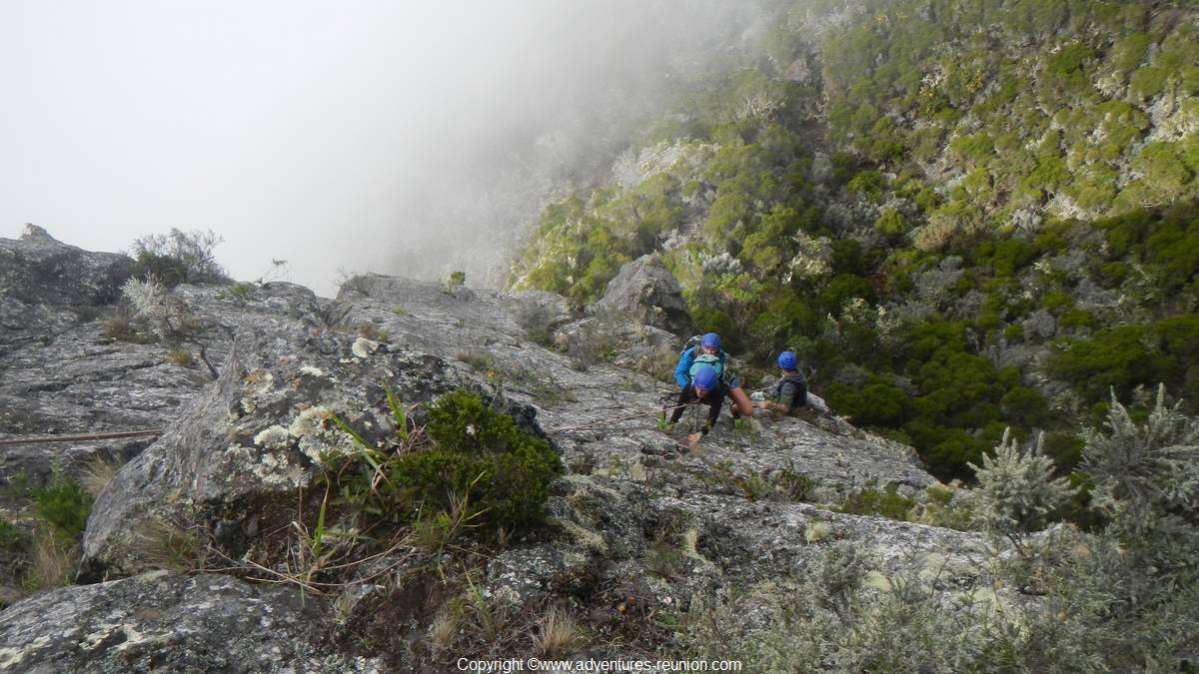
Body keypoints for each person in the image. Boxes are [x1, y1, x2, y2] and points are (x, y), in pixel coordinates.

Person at [673, 332, 754, 418]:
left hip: (725, 379)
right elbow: (680, 373)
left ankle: (735, 407)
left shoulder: (720, 354)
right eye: (707, 348)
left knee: (748, 411)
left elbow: (719, 374)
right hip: (699, 381)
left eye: (713, 349)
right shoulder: (691, 353)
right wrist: (689, 389)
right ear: (702, 345)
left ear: (718, 348)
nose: (710, 352)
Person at [668, 363, 727, 449]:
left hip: (712, 396)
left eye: (704, 390)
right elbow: (680, 407)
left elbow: (713, 415)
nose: (700, 392)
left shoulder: (717, 391)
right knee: (688, 396)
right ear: (695, 384)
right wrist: (672, 423)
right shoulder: (689, 387)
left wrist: (702, 432)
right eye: (698, 388)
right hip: (696, 392)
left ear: (710, 388)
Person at [755, 350, 808, 415]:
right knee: (758, 394)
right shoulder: (798, 372)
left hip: (791, 410)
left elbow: (785, 408)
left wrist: (769, 404)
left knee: (756, 395)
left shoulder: (788, 386)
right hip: (798, 402)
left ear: (782, 366)